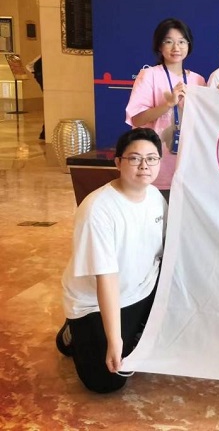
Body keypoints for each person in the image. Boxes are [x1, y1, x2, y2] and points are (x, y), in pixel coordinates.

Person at [56, 127, 167, 393]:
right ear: (118, 162)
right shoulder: (98, 209)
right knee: (105, 381)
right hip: (97, 301)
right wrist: (114, 341)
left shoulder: (155, 197)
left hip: (141, 288)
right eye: (135, 158)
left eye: (152, 158)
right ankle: (71, 334)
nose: (144, 166)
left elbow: (165, 251)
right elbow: (106, 279)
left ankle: (135, 330)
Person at [125, 18, 206, 200]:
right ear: (159, 46)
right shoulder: (149, 75)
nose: (176, 47)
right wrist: (167, 104)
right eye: (169, 41)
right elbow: (137, 119)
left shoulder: (198, 80)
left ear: (189, 45)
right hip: (155, 168)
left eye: (182, 42)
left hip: (188, 168)